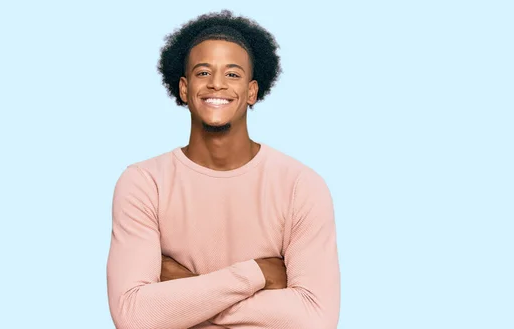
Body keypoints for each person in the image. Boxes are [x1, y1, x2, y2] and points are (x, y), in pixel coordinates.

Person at [106, 10, 340, 329]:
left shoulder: (301, 186)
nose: (216, 84)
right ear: (185, 89)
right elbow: (134, 316)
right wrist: (257, 274)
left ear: (252, 91)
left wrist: (185, 296)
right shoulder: (144, 183)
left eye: (232, 74)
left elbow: (316, 318)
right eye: (204, 73)